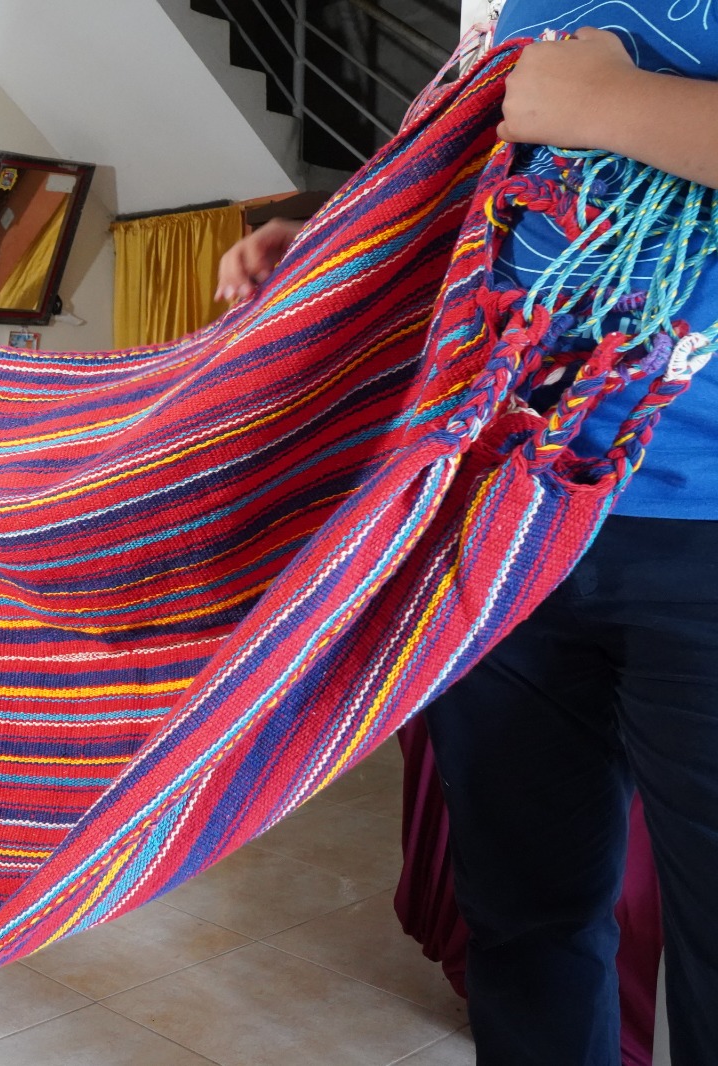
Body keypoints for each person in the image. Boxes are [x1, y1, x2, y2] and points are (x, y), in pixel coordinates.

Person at [221, 9, 718, 1063]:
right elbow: (494, 181)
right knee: (524, 917)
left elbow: (567, 114)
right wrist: (327, 238)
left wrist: (608, 104)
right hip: (500, 513)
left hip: (702, 530)